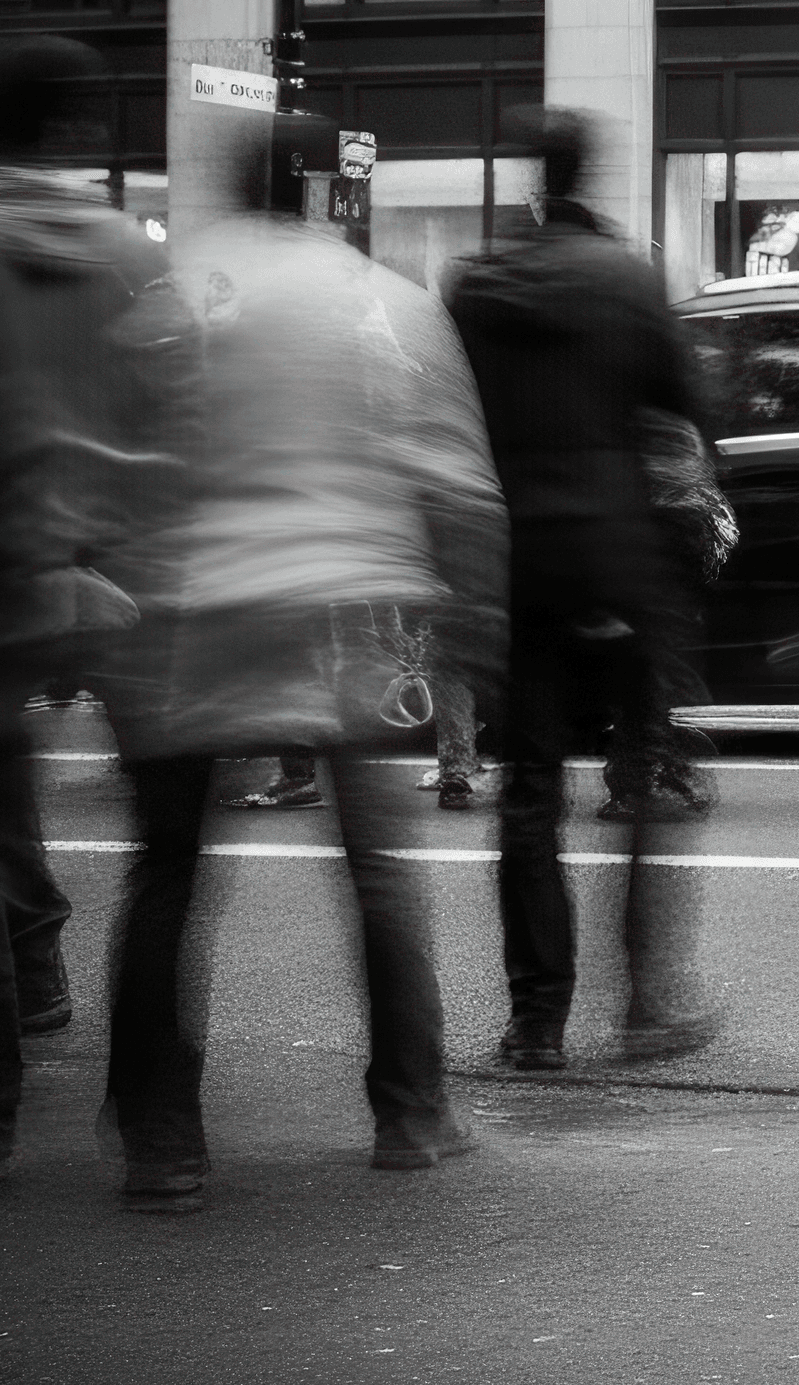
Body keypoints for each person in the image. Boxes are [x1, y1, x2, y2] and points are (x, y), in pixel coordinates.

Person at [91, 112, 505, 1203]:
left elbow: (117, 470)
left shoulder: (174, 299)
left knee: (169, 869)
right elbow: (456, 477)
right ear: (318, 189)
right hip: (347, 608)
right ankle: (411, 1110)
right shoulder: (384, 301)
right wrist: (477, 614)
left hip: (194, 609)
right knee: (377, 872)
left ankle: (161, 1137)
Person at [0, 34, 167, 1171]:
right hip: (124, 560)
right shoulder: (124, 250)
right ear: (73, 129)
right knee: (167, 841)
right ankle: (148, 1106)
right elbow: (168, 399)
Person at [443, 106, 721, 1071]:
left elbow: (451, 416)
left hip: (517, 559)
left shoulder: (475, 285)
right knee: (640, 778)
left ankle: (537, 1019)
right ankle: (645, 1003)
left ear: (530, 177)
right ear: (590, 171)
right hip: (618, 556)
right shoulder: (626, 280)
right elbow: (692, 410)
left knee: (528, 790)